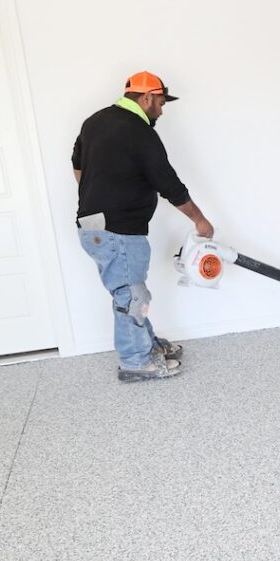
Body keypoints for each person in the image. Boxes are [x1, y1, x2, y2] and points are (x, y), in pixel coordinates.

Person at [72, 71, 214, 382]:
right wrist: (199, 220)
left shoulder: (94, 121)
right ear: (146, 98)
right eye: (161, 103)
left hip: (92, 227)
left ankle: (146, 345)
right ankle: (135, 361)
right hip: (119, 231)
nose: (161, 111)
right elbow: (167, 182)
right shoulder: (139, 131)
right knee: (131, 296)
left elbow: (77, 162)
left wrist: (94, 197)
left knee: (131, 291)